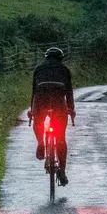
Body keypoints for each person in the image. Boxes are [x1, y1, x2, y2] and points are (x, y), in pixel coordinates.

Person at [29, 47, 75, 186]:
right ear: (61, 59)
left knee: (39, 122)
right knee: (61, 137)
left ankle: (41, 143)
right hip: (58, 100)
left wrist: (32, 110)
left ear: (46, 58)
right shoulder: (65, 70)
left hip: (41, 98)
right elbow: (69, 92)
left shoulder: (38, 69)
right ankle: (62, 169)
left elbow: (34, 91)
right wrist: (71, 109)